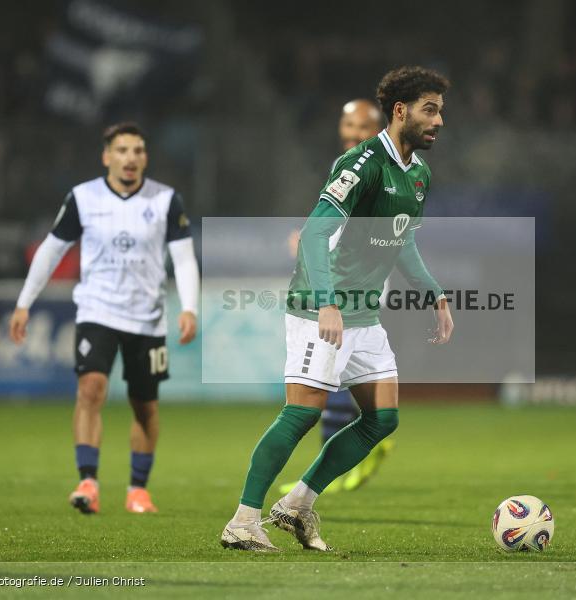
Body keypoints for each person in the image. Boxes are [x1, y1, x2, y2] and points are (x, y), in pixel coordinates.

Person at [221, 66, 454, 551]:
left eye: (440, 111)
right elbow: (313, 232)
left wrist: (434, 293)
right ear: (400, 111)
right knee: (302, 414)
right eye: (429, 110)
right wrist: (327, 303)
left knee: (382, 419)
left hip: (363, 314)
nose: (438, 121)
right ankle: (242, 520)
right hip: (319, 308)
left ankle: (297, 504)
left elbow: (403, 240)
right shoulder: (363, 162)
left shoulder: (419, 174)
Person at [9, 122, 200, 515]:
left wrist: (189, 307)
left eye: (138, 151)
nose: (131, 158)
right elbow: (52, 249)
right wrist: (25, 302)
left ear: (145, 157)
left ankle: (138, 490)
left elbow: (183, 259)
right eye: (123, 150)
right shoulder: (83, 197)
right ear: (106, 156)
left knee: (144, 405)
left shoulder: (165, 200)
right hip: (97, 310)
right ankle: (88, 482)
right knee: (90, 389)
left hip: (147, 318)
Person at [278, 98, 392, 497]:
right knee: (335, 381)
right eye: (348, 125)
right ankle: (357, 447)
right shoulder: (343, 165)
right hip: (341, 280)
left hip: (357, 284)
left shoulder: (377, 169)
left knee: (327, 381)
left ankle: (334, 468)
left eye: (363, 127)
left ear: (379, 130)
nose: (354, 133)